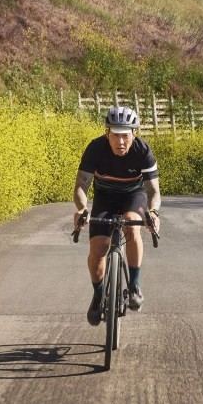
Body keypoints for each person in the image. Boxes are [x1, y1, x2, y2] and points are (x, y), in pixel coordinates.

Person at [73, 105, 161, 326]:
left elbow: (153, 192)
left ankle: (134, 285)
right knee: (98, 249)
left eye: (125, 135)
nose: (120, 142)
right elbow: (81, 187)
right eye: (115, 135)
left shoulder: (142, 151)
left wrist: (153, 212)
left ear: (134, 134)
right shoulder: (95, 149)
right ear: (107, 134)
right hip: (105, 198)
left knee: (132, 226)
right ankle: (97, 295)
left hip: (134, 196)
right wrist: (82, 209)